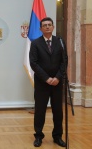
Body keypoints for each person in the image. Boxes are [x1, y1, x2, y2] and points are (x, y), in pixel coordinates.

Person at [29, 17, 68, 147]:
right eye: (44, 25)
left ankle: (57, 136)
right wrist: (46, 78)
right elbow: (33, 63)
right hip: (42, 83)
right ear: (40, 28)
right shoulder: (35, 43)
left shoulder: (60, 42)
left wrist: (57, 77)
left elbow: (64, 61)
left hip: (57, 83)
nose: (47, 27)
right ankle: (38, 136)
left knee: (58, 111)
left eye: (49, 25)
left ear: (53, 27)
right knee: (40, 111)